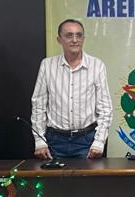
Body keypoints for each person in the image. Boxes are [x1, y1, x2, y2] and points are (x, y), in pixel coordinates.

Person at [30, 19, 112, 159]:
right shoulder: (47, 66)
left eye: (79, 35)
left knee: (89, 175)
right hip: (54, 141)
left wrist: (99, 142)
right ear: (59, 39)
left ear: (83, 38)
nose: (75, 40)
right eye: (69, 35)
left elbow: (105, 109)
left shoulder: (97, 66)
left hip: (87, 140)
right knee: (53, 176)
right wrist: (39, 141)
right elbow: (38, 105)